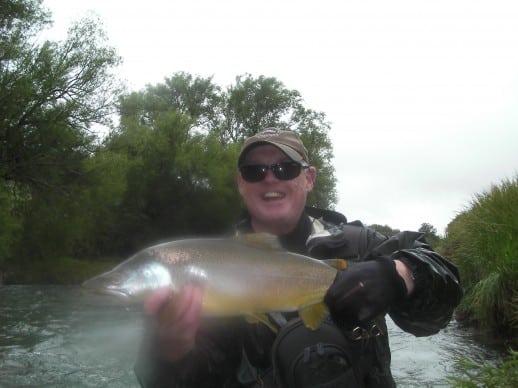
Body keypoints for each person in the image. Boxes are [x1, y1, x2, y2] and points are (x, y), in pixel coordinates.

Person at [134, 128, 462, 387]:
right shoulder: (204, 269)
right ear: (240, 183)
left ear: (308, 178)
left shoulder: (361, 246)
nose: (270, 178)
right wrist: (170, 352)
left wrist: (400, 274)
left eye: (285, 167)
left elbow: (435, 313)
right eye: (254, 171)